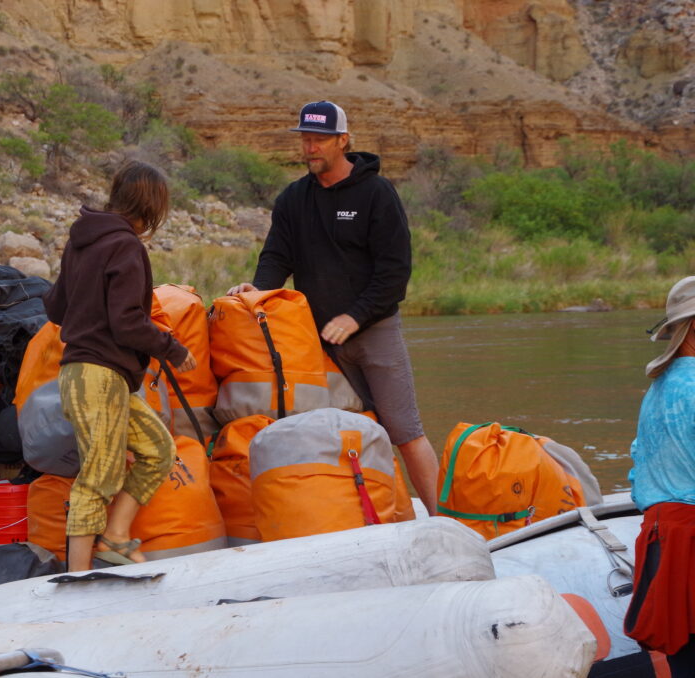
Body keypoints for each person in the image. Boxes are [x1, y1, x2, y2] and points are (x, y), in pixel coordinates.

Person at [227, 100, 438, 514]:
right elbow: (277, 257)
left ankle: (444, 520)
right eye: (306, 139)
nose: (310, 147)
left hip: (374, 334)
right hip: (317, 342)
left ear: (343, 141)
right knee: (344, 433)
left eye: (320, 139)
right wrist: (258, 291)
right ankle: (374, 516)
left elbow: (395, 273)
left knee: (404, 431)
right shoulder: (293, 199)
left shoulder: (376, 194)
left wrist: (354, 316)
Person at [43, 161, 196, 571]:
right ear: (152, 205)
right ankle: (78, 575)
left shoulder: (81, 242)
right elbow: (128, 322)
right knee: (99, 475)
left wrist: (84, 295)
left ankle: (114, 537)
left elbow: (55, 307)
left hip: (83, 372)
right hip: (100, 376)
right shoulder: (126, 246)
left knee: (158, 450)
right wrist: (173, 349)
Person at [624, 275, 695, 672]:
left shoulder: (658, 389)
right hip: (690, 539)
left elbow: (639, 471)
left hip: (660, 543)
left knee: (684, 660)